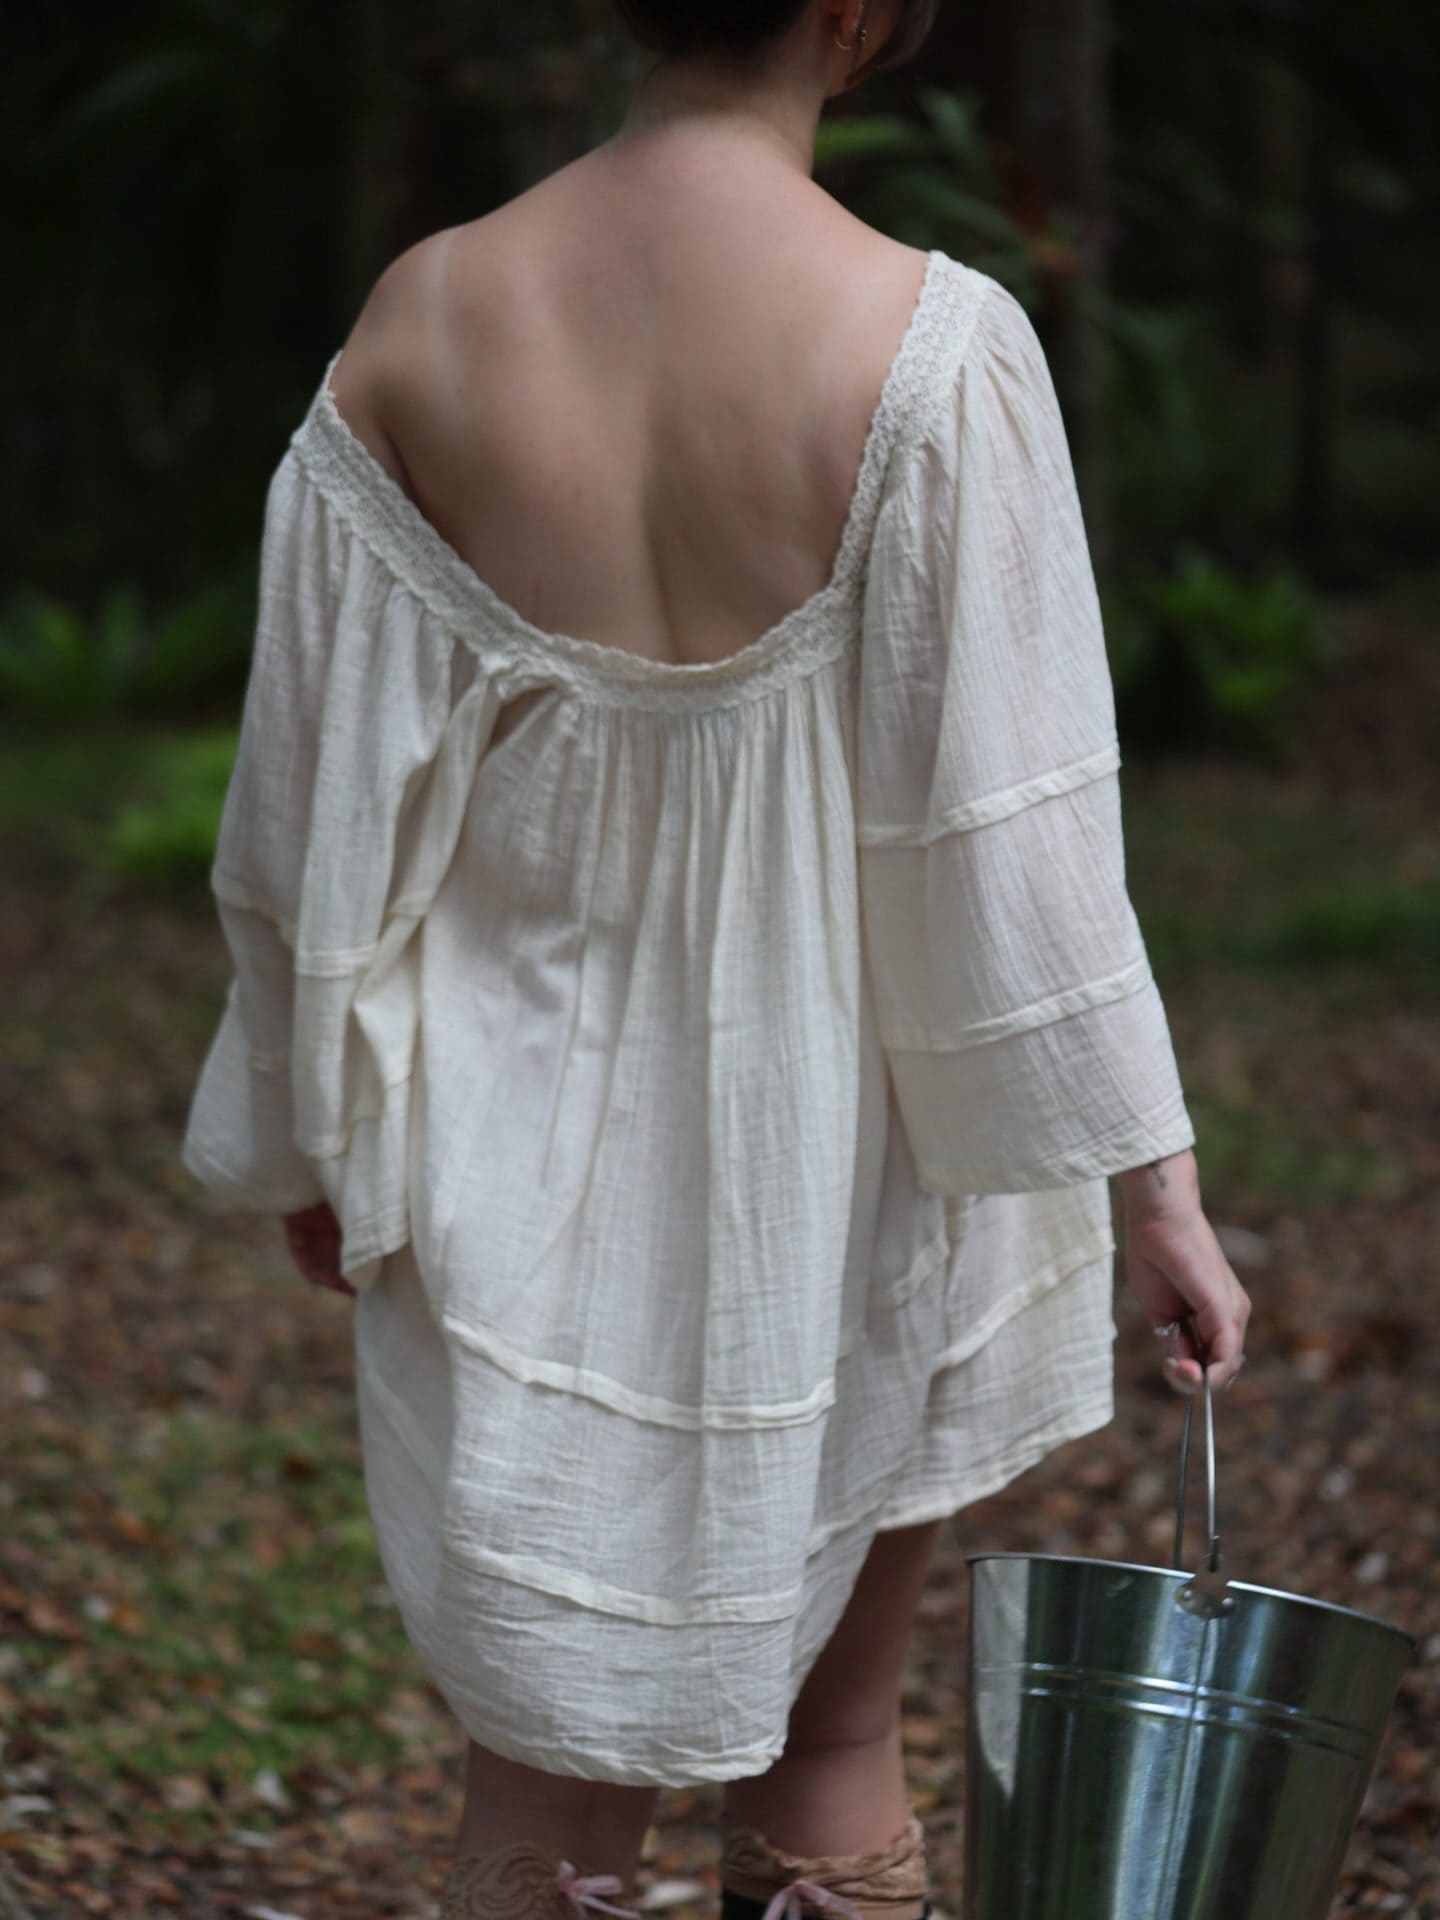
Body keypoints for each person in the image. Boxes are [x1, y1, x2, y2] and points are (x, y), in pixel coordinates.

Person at [179, 0, 1253, 1915]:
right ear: (851, 12)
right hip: (851, 1157)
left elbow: (307, 810)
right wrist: (1152, 1186)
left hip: (516, 1159)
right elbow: (1018, 840)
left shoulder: (430, 317)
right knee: (834, 1746)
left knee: (540, 1798)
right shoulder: (927, 344)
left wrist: (315, 1124)